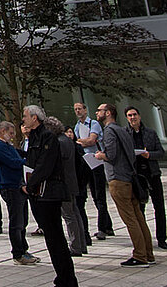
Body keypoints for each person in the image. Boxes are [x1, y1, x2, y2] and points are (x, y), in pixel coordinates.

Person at [24, 106, 77, 287]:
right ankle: (62, 277)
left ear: (34, 117)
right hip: (38, 194)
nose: (23, 120)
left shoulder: (47, 136)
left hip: (48, 193)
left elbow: (44, 166)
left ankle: (67, 279)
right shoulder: (34, 136)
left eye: (25, 116)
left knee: (56, 238)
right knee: (51, 238)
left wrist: (29, 186)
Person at [96, 103, 152, 267]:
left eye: (99, 110)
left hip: (118, 179)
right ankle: (148, 253)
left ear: (107, 113)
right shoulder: (122, 130)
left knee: (130, 219)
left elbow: (111, 155)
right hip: (128, 177)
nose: (97, 113)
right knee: (138, 217)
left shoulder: (109, 131)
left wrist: (100, 155)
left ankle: (140, 256)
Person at [47, 116, 91, 257]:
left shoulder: (59, 142)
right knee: (74, 213)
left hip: (64, 184)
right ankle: (81, 244)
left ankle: (76, 246)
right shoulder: (66, 140)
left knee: (69, 215)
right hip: (71, 182)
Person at [125, 107, 167, 250]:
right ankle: (143, 238)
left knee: (159, 207)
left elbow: (161, 152)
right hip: (137, 176)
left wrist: (149, 155)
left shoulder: (150, 132)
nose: (133, 118)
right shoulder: (126, 134)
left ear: (139, 116)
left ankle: (162, 238)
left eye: (135, 115)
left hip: (152, 173)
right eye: (130, 115)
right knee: (139, 208)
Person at [0, 120, 32, 264]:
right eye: (11, 133)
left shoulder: (8, 145)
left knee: (23, 219)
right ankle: (17, 253)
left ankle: (23, 248)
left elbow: (18, 155)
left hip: (18, 185)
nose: (13, 136)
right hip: (9, 186)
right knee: (16, 221)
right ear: (3, 131)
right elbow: (13, 161)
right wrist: (27, 161)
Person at [72, 102, 113, 240]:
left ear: (85, 109)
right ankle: (108, 225)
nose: (78, 111)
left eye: (80, 109)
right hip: (86, 161)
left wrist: (82, 141)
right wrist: (83, 141)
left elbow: (91, 140)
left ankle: (103, 228)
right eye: (76, 109)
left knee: (99, 195)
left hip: (97, 161)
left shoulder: (93, 124)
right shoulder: (77, 126)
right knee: (92, 195)